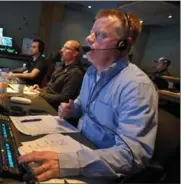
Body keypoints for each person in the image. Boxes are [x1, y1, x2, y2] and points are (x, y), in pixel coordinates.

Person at [18, 9, 158, 182]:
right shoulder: (91, 73)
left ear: (123, 45)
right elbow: (81, 105)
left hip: (99, 166)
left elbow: (132, 155)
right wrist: (72, 109)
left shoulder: (137, 86)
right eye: (91, 33)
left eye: (99, 34)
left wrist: (71, 162)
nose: (88, 39)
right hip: (76, 144)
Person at [29, 40, 84, 109]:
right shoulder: (61, 68)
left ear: (75, 53)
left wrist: (40, 94)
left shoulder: (76, 73)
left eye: (66, 48)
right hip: (46, 103)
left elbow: (65, 98)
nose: (61, 50)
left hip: (54, 109)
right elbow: (50, 88)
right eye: (62, 47)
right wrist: (39, 90)